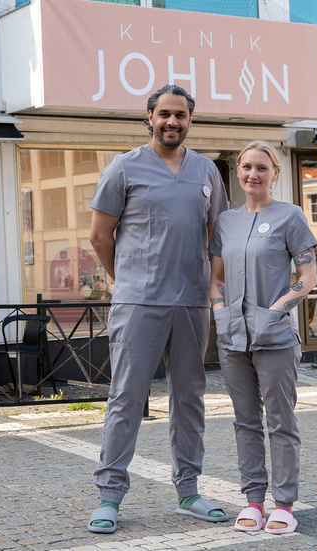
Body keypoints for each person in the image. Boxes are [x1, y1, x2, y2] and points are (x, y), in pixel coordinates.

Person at [86, 84, 230, 534]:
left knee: (189, 400)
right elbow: (98, 236)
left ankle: (189, 491)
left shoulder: (206, 170)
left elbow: (216, 238)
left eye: (181, 115)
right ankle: (110, 496)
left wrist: (212, 291)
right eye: (164, 113)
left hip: (190, 303)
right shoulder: (124, 168)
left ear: (190, 120)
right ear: (149, 116)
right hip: (139, 302)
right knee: (126, 398)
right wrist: (125, 280)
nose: (172, 121)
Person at [208, 141, 317, 535]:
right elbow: (216, 277)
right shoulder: (225, 222)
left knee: (281, 420)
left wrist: (276, 311)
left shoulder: (290, 216)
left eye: (262, 167)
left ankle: (284, 504)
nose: (253, 174)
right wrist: (220, 313)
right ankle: (254, 501)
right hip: (232, 337)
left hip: (275, 337)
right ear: (237, 172)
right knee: (245, 422)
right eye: (246, 167)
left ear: (274, 172)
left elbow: (308, 278)